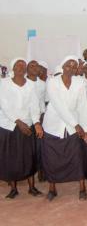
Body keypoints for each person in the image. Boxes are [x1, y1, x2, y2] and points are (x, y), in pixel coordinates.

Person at [42, 55, 87, 201]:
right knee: (52, 158)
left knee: (77, 156)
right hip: (53, 125)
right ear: (62, 67)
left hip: (74, 126)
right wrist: (76, 125)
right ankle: (52, 188)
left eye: (74, 66)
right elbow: (58, 105)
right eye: (68, 65)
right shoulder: (52, 82)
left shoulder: (80, 82)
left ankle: (82, 188)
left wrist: (86, 128)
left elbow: (82, 105)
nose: (71, 68)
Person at [0, 58, 43, 198]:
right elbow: (4, 105)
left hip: (28, 124)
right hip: (9, 125)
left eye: (23, 65)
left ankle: (32, 187)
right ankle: (13, 188)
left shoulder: (30, 85)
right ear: (13, 68)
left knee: (29, 156)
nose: (21, 67)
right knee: (11, 157)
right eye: (18, 65)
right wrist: (18, 122)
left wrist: (36, 123)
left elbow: (34, 105)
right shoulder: (4, 83)